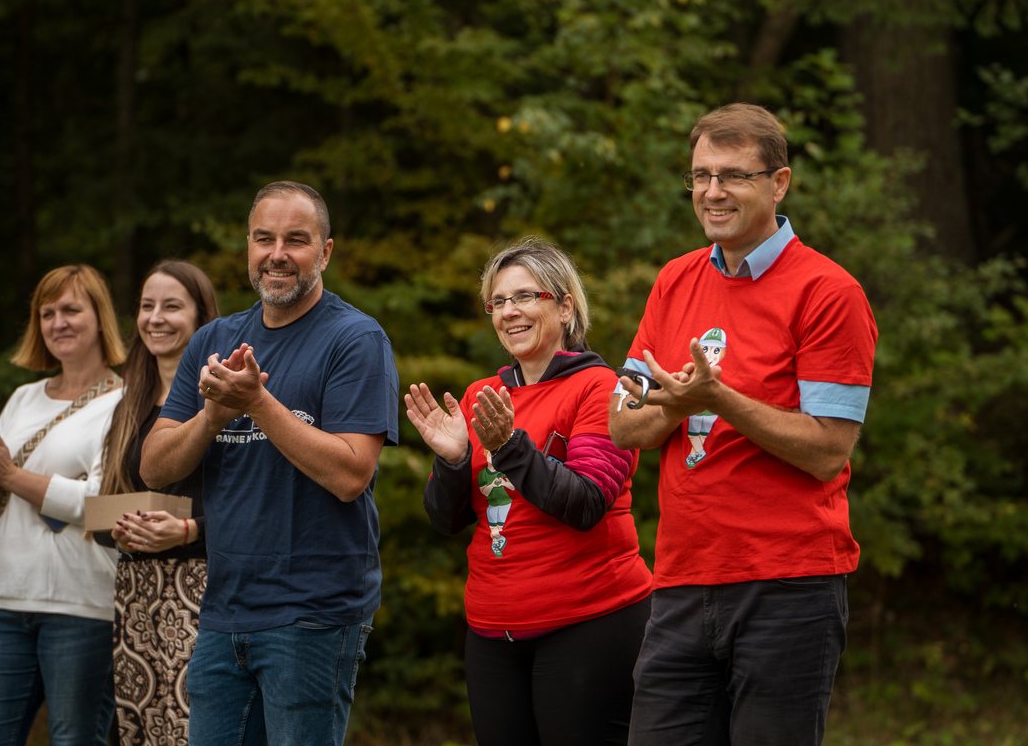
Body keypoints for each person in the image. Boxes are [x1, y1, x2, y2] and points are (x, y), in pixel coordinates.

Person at [608, 103, 879, 746]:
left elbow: (828, 450)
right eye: (701, 176)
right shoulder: (674, 281)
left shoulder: (829, 291)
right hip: (681, 579)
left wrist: (719, 399)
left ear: (779, 183)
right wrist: (681, 404)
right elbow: (622, 425)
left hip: (789, 582)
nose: (712, 192)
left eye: (733, 176)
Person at [139, 181, 400, 746]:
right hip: (223, 610)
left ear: (325, 252)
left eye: (295, 240)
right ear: (248, 247)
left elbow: (351, 474)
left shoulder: (355, 339)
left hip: (314, 614)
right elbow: (154, 468)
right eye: (264, 239)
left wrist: (257, 402)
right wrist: (211, 417)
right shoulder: (214, 339)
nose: (277, 253)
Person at [406, 237, 653, 746]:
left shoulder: (601, 388)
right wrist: (453, 462)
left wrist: (509, 446)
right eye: (497, 302)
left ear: (564, 307)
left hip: (589, 623)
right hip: (492, 632)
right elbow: (446, 521)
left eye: (524, 296)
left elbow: (586, 503)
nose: (508, 311)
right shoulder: (483, 395)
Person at [0, 264, 128, 746]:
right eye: (47, 314)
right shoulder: (24, 398)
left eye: (71, 310)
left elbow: (101, 503)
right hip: (2, 599)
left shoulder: (125, 402)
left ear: (100, 318)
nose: (58, 322)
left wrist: (9, 474)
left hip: (81, 606)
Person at [94, 260, 221, 745]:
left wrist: (190, 530)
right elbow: (103, 509)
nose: (155, 318)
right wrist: (121, 530)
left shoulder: (225, 400)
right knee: (142, 729)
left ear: (202, 317)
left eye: (172, 306)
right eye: (147, 306)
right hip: (138, 592)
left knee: (198, 729)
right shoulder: (128, 405)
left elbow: (256, 504)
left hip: (208, 589)